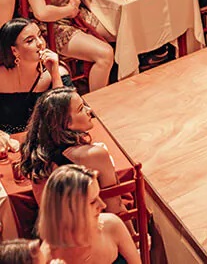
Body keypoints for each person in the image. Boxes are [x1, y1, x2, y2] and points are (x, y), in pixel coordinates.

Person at [17, 87, 127, 217]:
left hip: (51, 233)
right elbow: (115, 207)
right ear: (66, 123)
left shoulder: (37, 155)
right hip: (89, 232)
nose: (89, 110)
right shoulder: (95, 155)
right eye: (81, 108)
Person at [38, 164, 141, 264]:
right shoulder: (48, 255)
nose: (102, 205)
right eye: (92, 202)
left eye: (99, 196)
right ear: (69, 211)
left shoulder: (112, 225)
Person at [0, 18, 69, 136]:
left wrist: (55, 74)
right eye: (30, 40)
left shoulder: (58, 73)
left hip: (43, 141)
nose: (40, 43)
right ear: (14, 50)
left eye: (40, 35)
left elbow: (65, 117)